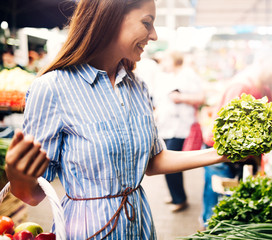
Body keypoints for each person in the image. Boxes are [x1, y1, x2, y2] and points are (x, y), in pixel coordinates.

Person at [4, 0, 243, 239]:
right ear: (111, 18)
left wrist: (220, 153)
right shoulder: (52, 89)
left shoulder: (137, 86)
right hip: (88, 231)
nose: (154, 35)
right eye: (146, 23)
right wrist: (17, 177)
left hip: (140, 226)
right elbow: (34, 195)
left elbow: (153, 161)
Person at [201, 43, 272, 227]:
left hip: (239, 157)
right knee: (216, 209)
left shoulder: (264, 86)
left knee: (227, 205)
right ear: (262, 60)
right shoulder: (241, 86)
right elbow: (226, 134)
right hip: (219, 154)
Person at [153, 50, 205, 212]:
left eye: (165, 60)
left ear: (174, 60)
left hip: (181, 126)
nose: (162, 63)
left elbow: (201, 98)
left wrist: (181, 98)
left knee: (170, 163)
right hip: (166, 126)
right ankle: (176, 195)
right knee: (167, 160)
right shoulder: (166, 76)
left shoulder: (188, 75)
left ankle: (180, 199)